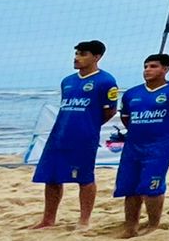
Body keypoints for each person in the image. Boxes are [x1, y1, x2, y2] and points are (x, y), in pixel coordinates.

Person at [30, 40, 118, 231]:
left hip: (84, 137)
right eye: (76, 53)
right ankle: (48, 219)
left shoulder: (105, 81)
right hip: (59, 135)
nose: (77, 57)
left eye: (83, 54)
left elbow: (110, 111)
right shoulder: (68, 81)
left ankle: (84, 220)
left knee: (84, 177)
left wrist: (89, 125)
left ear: (97, 57)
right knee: (51, 177)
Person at [113, 54, 169, 238]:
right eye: (146, 66)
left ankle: (153, 225)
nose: (147, 70)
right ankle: (131, 226)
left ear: (165, 69)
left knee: (152, 185)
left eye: (153, 66)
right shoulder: (132, 94)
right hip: (134, 145)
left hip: (160, 146)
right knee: (130, 187)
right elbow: (126, 118)